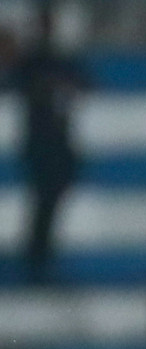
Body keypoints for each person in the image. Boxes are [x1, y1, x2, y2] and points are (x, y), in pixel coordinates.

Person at [13, 3, 85, 283]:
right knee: (44, 199)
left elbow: (83, 84)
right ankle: (37, 256)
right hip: (42, 143)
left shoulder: (56, 60)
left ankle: (39, 255)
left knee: (49, 198)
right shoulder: (34, 62)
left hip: (55, 141)